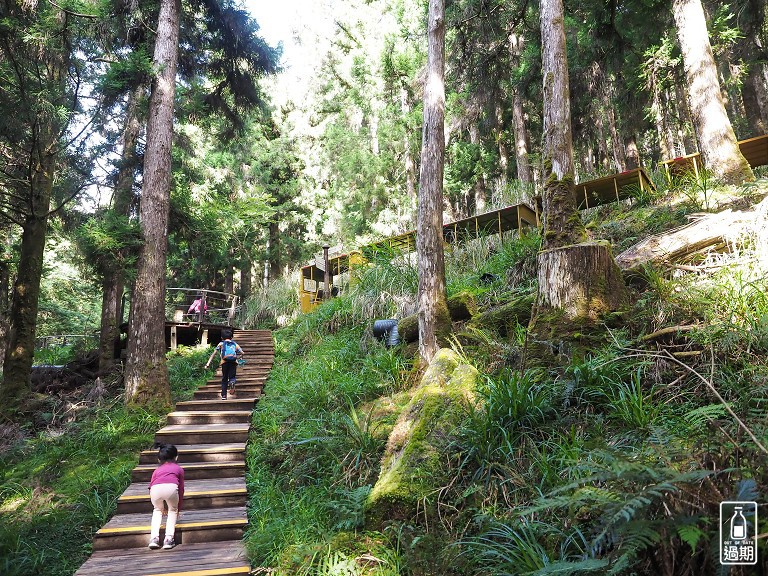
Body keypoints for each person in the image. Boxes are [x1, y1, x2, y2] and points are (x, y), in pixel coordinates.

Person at [148, 443, 185, 550]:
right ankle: (168, 539)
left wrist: (158, 505)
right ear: (176, 457)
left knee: (157, 511)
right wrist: (179, 508)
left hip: (155, 489)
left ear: (159, 459)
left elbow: (151, 486)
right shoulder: (179, 469)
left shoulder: (156, 470)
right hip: (172, 488)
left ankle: (154, 538)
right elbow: (181, 489)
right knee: (172, 511)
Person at [205, 328, 244, 400]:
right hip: (233, 362)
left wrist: (208, 363)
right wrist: (239, 358)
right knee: (232, 377)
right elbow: (242, 353)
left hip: (224, 363)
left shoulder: (221, 344)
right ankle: (232, 382)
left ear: (221, 337)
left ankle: (223, 395)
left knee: (224, 379)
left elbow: (213, 354)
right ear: (231, 337)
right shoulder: (235, 344)